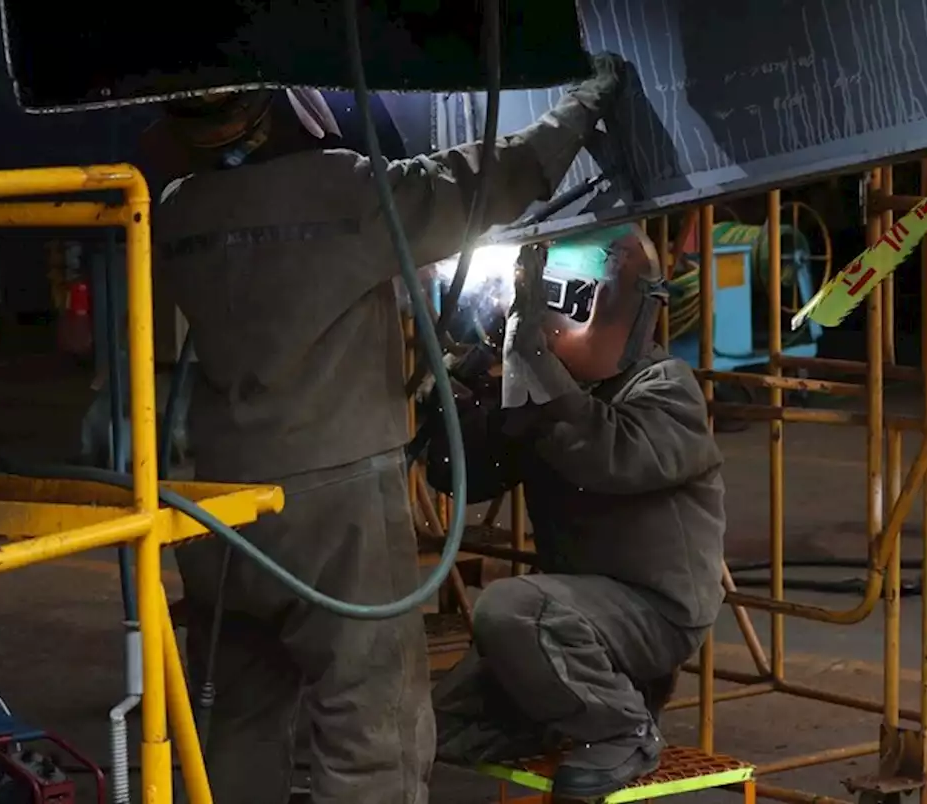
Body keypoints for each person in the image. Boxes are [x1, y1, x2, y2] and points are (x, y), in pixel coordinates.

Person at [147, 55, 627, 804]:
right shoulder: (344, 188)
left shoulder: (174, 210)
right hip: (334, 507)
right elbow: (495, 176)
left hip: (214, 507)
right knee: (369, 718)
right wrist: (586, 102)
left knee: (236, 715)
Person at [423, 225, 727, 800]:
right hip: (573, 616)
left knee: (509, 608)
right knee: (441, 727)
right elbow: (466, 474)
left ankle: (625, 729)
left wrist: (534, 364)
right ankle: (570, 712)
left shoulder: (665, 388)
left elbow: (608, 458)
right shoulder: (549, 400)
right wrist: (455, 393)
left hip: (654, 614)